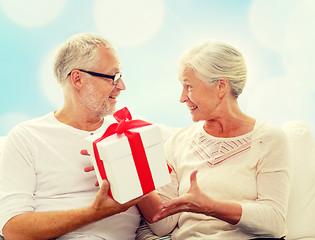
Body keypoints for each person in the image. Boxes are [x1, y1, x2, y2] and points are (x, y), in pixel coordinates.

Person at [0, 33, 173, 240]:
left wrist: (131, 172)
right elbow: (13, 229)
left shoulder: (127, 131)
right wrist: (94, 213)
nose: (121, 86)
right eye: (113, 77)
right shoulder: (26, 137)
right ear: (78, 79)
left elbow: (162, 225)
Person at [147, 41, 291, 239]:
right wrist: (130, 180)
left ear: (221, 86)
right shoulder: (177, 143)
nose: (182, 98)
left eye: (188, 86)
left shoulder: (269, 140)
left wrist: (211, 207)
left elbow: (274, 221)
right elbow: (162, 225)